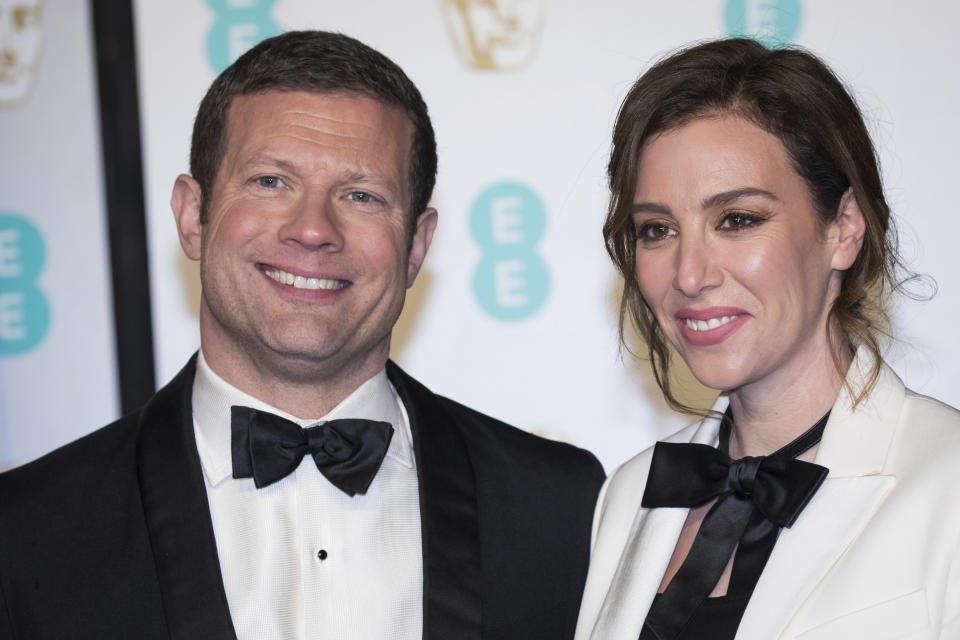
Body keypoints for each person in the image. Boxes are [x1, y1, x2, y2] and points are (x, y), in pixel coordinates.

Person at [0, 30, 605, 640]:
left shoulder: (562, 508)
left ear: (417, 245)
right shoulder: (25, 533)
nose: (314, 230)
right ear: (191, 215)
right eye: (270, 181)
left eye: (361, 195)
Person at [575, 38, 960, 640]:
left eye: (738, 219)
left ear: (844, 229)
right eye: (657, 229)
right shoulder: (629, 493)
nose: (690, 274)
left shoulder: (948, 480)